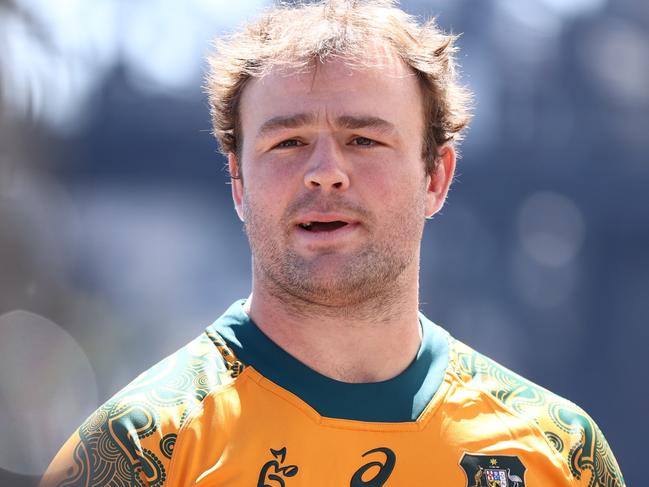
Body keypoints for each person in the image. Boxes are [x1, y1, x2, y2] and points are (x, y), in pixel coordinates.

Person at [41, 1, 625, 486]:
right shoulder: (136, 453)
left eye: (364, 139)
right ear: (238, 182)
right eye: (289, 142)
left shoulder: (561, 453)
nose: (325, 172)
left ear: (436, 177)